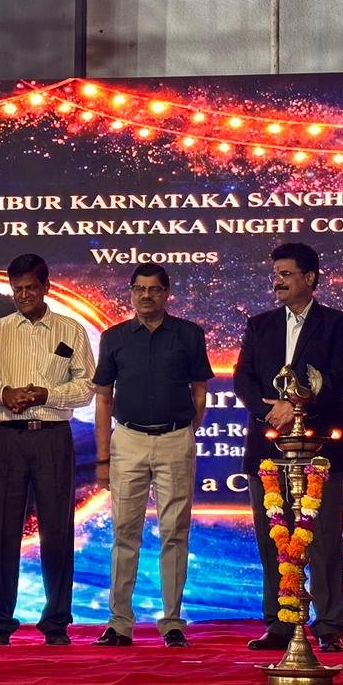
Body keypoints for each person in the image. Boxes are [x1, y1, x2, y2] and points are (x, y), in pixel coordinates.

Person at [234, 242, 343, 653]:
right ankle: (279, 623)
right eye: (276, 275)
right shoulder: (259, 325)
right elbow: (243, 380)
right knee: (273, 533)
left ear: (310, 278)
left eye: (286, 274)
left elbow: (340, 379)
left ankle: (328, 625)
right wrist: (272, 412)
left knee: (322, 535)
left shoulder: (337, 324)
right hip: (269, 444)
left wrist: (298, 407)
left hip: (321, 446)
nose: (278, 282)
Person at [92, 263, 213, 648]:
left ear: (166, 294)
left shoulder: (189, 334)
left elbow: (199, 391)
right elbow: (104, 398)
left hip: (175, 439)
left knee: (174, 533)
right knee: (124, 533)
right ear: (130, 292)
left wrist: (185, 432)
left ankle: (173, 622)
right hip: (127, 440)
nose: (146, 296)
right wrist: (102, 459)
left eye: (154, 289)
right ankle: (119, 624)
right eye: (139, 289)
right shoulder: (114, 338)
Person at [0, 254, 95, 646]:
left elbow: (87, 386)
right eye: (17, 289)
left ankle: (56, 623)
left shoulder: (70, 329)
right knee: (2, 529)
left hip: (53, 435)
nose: (24, 296)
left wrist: (48, 394)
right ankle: (0, 622)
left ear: (46, 286)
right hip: (7, 436)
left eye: (31, 288)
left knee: (57, 529)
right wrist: (4, 394)